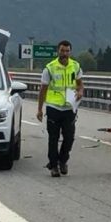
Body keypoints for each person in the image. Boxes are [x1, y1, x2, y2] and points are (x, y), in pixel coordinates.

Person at [36, 40, 83, 177]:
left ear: (70, 52)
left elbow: (80, 85)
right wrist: (40, 109)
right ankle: (54, 165)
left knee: (69, 138)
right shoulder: (50, 68)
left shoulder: (76, 66)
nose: (65, 53)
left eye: (67, 51)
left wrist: (80, 92)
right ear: (58, 51)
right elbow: (43, 90)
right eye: (62, 51)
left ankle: (63, 161)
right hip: (54, 107)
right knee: (53, 138)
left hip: (69, 108)